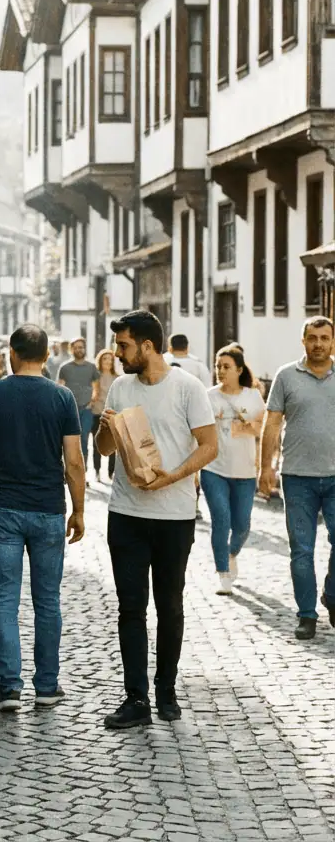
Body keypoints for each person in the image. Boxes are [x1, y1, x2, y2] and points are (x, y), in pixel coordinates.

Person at [95, 310, 217, 729]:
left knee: (170, 605)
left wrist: (175, 476)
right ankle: (136, 700)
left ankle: (166, 689)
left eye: (124, 345)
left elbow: (209, 445)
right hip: (125, 513)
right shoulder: (120, 387)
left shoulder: (188, 388)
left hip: (174, 515)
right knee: (131, 608)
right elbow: (106, 448)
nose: (118, 353)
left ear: (146, 346)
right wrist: (107, 428)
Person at [0, 324, 85, 714]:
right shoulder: (63, 398)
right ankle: (47, 685)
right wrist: (79, 508)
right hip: (49, 508)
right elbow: (75, 462)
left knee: (3, 600)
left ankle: (9, 688)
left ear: (12, 353)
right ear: (47, 356)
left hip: (4, 508)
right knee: (47, 601)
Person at [260, 317, 335, 641]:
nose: (318, 343)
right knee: (301, 550)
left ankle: (331, 595)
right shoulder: (286, 376)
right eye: (312, 338)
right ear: (303, 341)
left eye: (324, 338)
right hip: (297, 477)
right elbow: (273, 423)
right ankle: (306, 615)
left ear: (333, 341)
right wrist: (265, 467)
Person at [202, 345, 264, 596]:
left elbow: (262, 429)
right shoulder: (208, 396)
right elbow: (197, 431)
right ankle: (223, 573)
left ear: (239, 370)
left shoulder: (253, 396)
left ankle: (232, 553)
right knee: (221, 519)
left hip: (244, 470)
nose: (221, 371)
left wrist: (247, 422)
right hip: (213, 467)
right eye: (218, 366)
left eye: (226, 367)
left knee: (242, 525)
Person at [58, 338, 99, 471]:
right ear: (72, 349)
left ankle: (83, 470)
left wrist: (91, 403)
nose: (79, 350)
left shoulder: (91, 367)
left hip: (86, 409)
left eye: (81, 347)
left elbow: (96, 388)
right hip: (70, 410)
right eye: (76, 347)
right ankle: (69, 468)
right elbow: (59, 388)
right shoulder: (65, 367)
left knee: (84, 440)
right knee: (68, 439)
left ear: (85, 348)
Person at [90, 349, 118, 481]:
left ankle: (111, 473)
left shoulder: (117, 378)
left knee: (113, 445)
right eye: (105, 359)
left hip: (112, 415)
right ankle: (96, 472)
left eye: (110, 359)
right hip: (97, 413)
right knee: (97, 444)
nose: (108, 362)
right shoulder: (95, 377)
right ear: (100, 361)